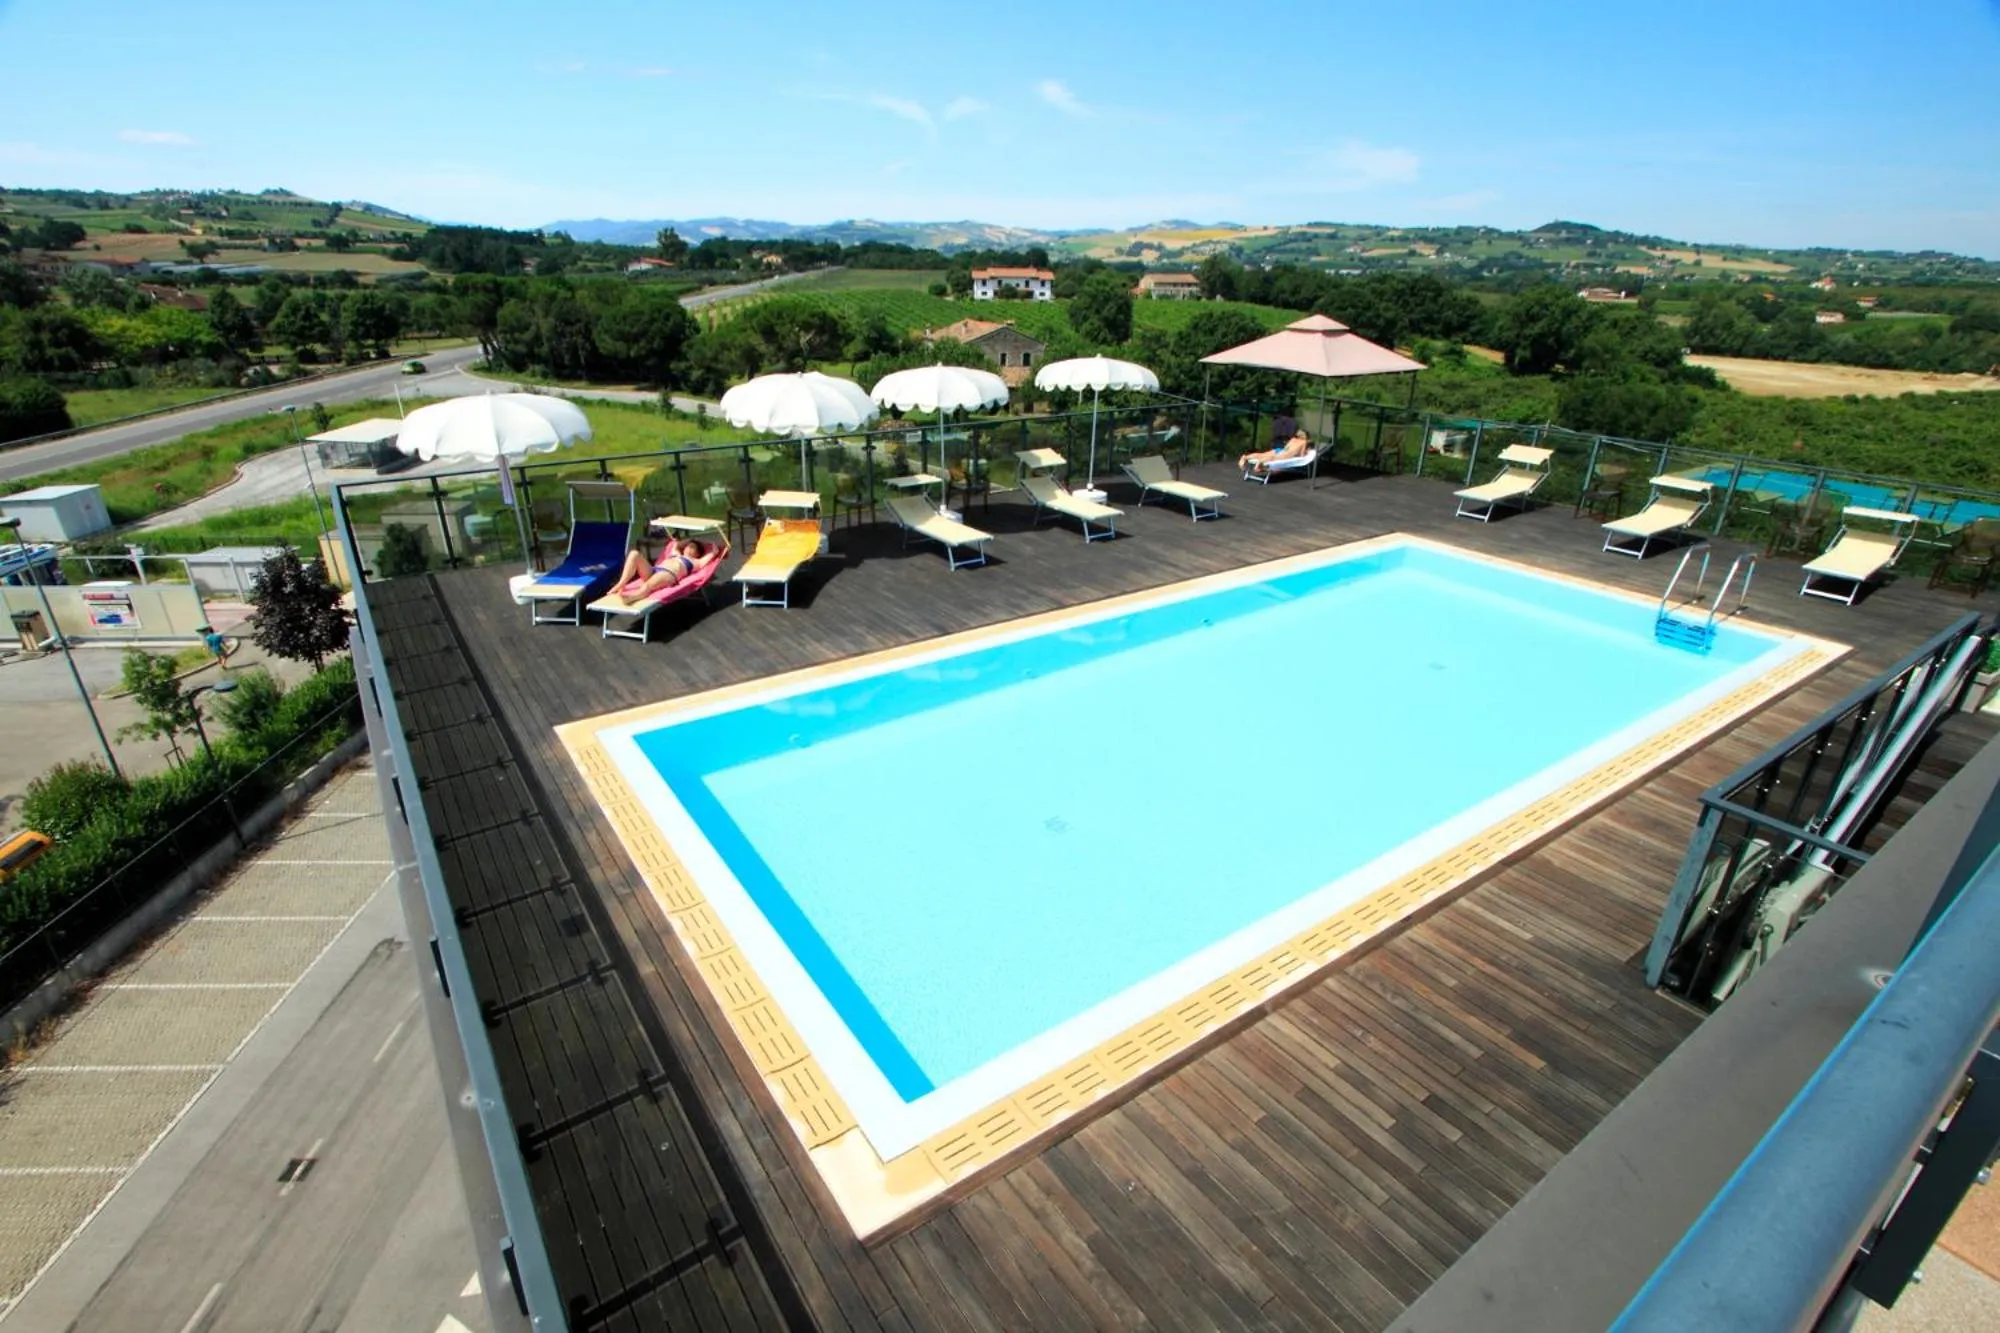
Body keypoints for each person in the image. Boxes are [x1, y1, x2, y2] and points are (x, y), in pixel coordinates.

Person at [613, 537, 717, 605]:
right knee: (634, 554)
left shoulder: (696, 562)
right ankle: (621, 584)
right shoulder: (676, 553)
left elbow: (714, 552)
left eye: (692, 547)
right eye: (687, 546)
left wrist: (710, 545)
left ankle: (631, 598)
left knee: (647, 585)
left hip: (668, 575)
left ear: (697, 553)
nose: (688, 548)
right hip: (654, 570)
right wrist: (691, 540)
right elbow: (677, 544)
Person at [1239, 429, 1313, 474]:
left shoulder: (1293, 439)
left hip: (1280, 450)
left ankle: (1245, 457)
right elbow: (1302, 454)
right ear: (1306, 436)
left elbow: (1286, 447)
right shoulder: (1304, 442)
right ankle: (1259, 464)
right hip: (1285, 454)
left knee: (1263, 454)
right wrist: (1307, 452)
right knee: (1271, 458)